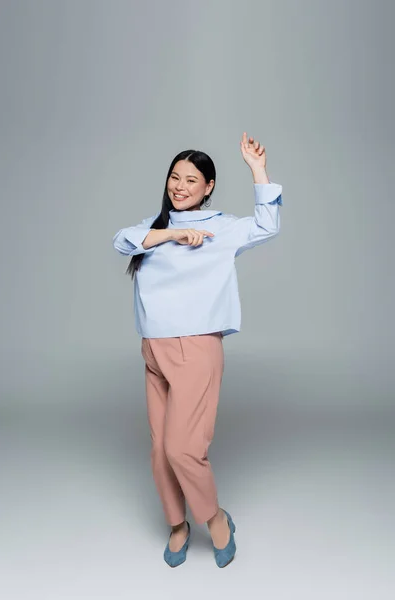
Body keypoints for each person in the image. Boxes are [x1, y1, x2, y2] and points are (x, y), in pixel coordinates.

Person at [112, 132, 283, 568]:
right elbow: (122, 240)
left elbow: (267, 225)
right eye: (174, 177)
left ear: (208, 187)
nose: (180, 186)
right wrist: (170, 235)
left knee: (182, 448)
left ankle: (214, 517)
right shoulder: (154, 226)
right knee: (159, 450)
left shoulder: (221, 228)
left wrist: (257, 169)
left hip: (195, 348)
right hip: (153, 350)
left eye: (191, 179)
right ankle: (177, 524)